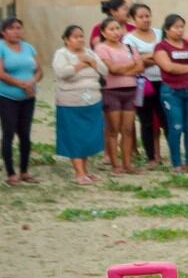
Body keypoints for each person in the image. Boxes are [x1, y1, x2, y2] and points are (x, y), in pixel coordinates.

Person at [150, 13, 188, 173]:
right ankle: (176, 162)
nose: (180, 30)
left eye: (182, 27)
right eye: (176, 27)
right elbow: (169, 67)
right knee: (176, 126)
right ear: (167, 29)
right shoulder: (161, 47)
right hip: (172, 91)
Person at [52, 25, 108, 184]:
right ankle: (79, 173)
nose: (80, 40)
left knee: (87, 137)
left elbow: (105, 71)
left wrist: (92, 62)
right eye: (76, 37)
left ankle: (86, 170)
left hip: (92, 100)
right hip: (71, 102)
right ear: (66, 40)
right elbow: (62, 73)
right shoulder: (61, 54)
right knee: (75, 137)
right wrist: (80, 64)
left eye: (81, 36)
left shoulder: (90, 52)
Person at [93, 16, 141, 176]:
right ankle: (116, 165)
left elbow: (140, 66)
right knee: (113, 129)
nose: (115, 32)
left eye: (117, 29)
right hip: (111, 91)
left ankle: (127, 163)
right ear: (103, 32)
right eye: (111, 29)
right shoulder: (101, 48)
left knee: (127, 129)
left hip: (130, 90)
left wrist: (126, 68)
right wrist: (130, 65)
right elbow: (112, 69)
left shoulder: (128, 46)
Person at [124, 3, 166, 167]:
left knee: (166, 120)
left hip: (163, 81)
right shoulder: (129, 39)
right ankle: (151, 157)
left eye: (147, 15)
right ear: (133, 19)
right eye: (141, 17)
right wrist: (155, 57)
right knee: (146, 121)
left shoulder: (159, 33)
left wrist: (145, 57)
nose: (145, 19)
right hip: (143, 85)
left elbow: (166, 52)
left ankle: (173, 156)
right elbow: (135, 61)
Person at [0, 18, 41, 185]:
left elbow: (39, 70)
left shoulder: (29, 48)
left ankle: (24, 171)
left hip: (28, 97)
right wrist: (20, 84)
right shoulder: (1, 47)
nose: (16, 31)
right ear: (4, 32)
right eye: (12, 28)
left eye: (19, 28)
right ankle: (10, 172)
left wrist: (32, 81)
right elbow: (1, 73)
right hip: (7, 97)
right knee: (9, 132)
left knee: (25, 134)